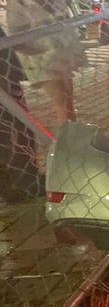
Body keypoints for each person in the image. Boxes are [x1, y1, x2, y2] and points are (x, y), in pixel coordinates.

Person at [5, 0, 83, 128]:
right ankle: (66, 145)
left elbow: (66, 21)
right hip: (41, 61)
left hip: (62, 56)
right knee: (61, 103)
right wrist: (40, 48)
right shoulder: (16, 5)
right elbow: (16, 37)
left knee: (68, 103)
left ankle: (73, 137)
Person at [0, 26, 45, 200]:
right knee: (9, 132)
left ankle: (27, 177)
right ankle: (18, 184)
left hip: (6, 71)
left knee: (20, 126)